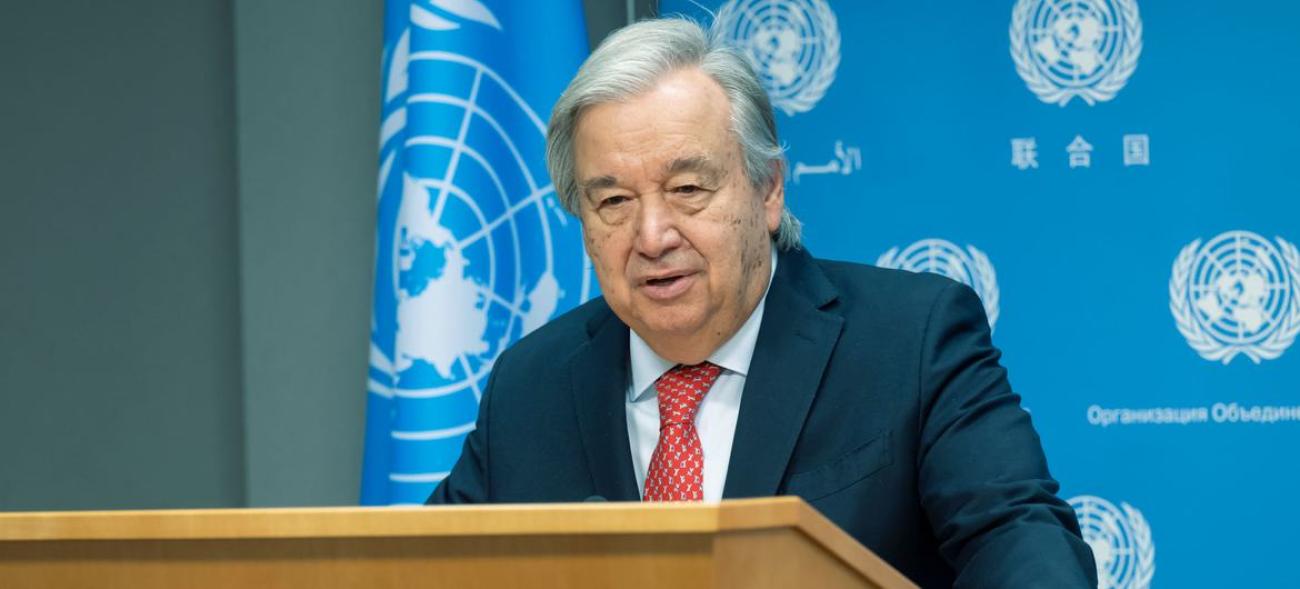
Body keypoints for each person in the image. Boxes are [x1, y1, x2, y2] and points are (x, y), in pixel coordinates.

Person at [427, 17, 1096, 588]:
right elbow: (424, 565)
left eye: (688, 188)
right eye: (613, 202)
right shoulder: (531, 385)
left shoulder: (909, 341)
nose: (652, 235)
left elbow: (1020, 540)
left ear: (768, 189)